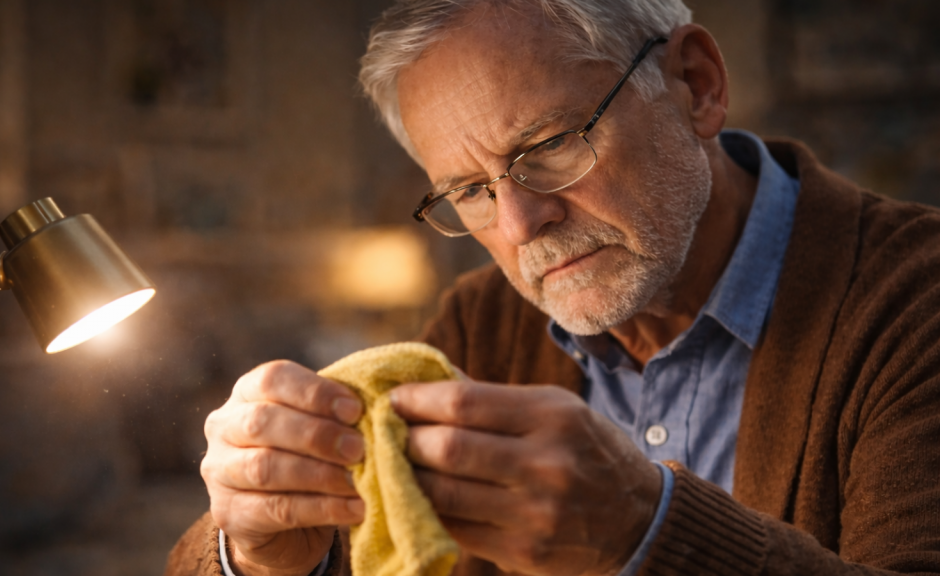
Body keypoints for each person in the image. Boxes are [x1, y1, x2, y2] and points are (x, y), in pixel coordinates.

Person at [166, 1, 940, 575]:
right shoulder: (478, 323)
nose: (520, 223)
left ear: (696, 85)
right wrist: (262, 553)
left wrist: (646, 530)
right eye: (469, 191)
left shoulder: (915, 297)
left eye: (550, 145)